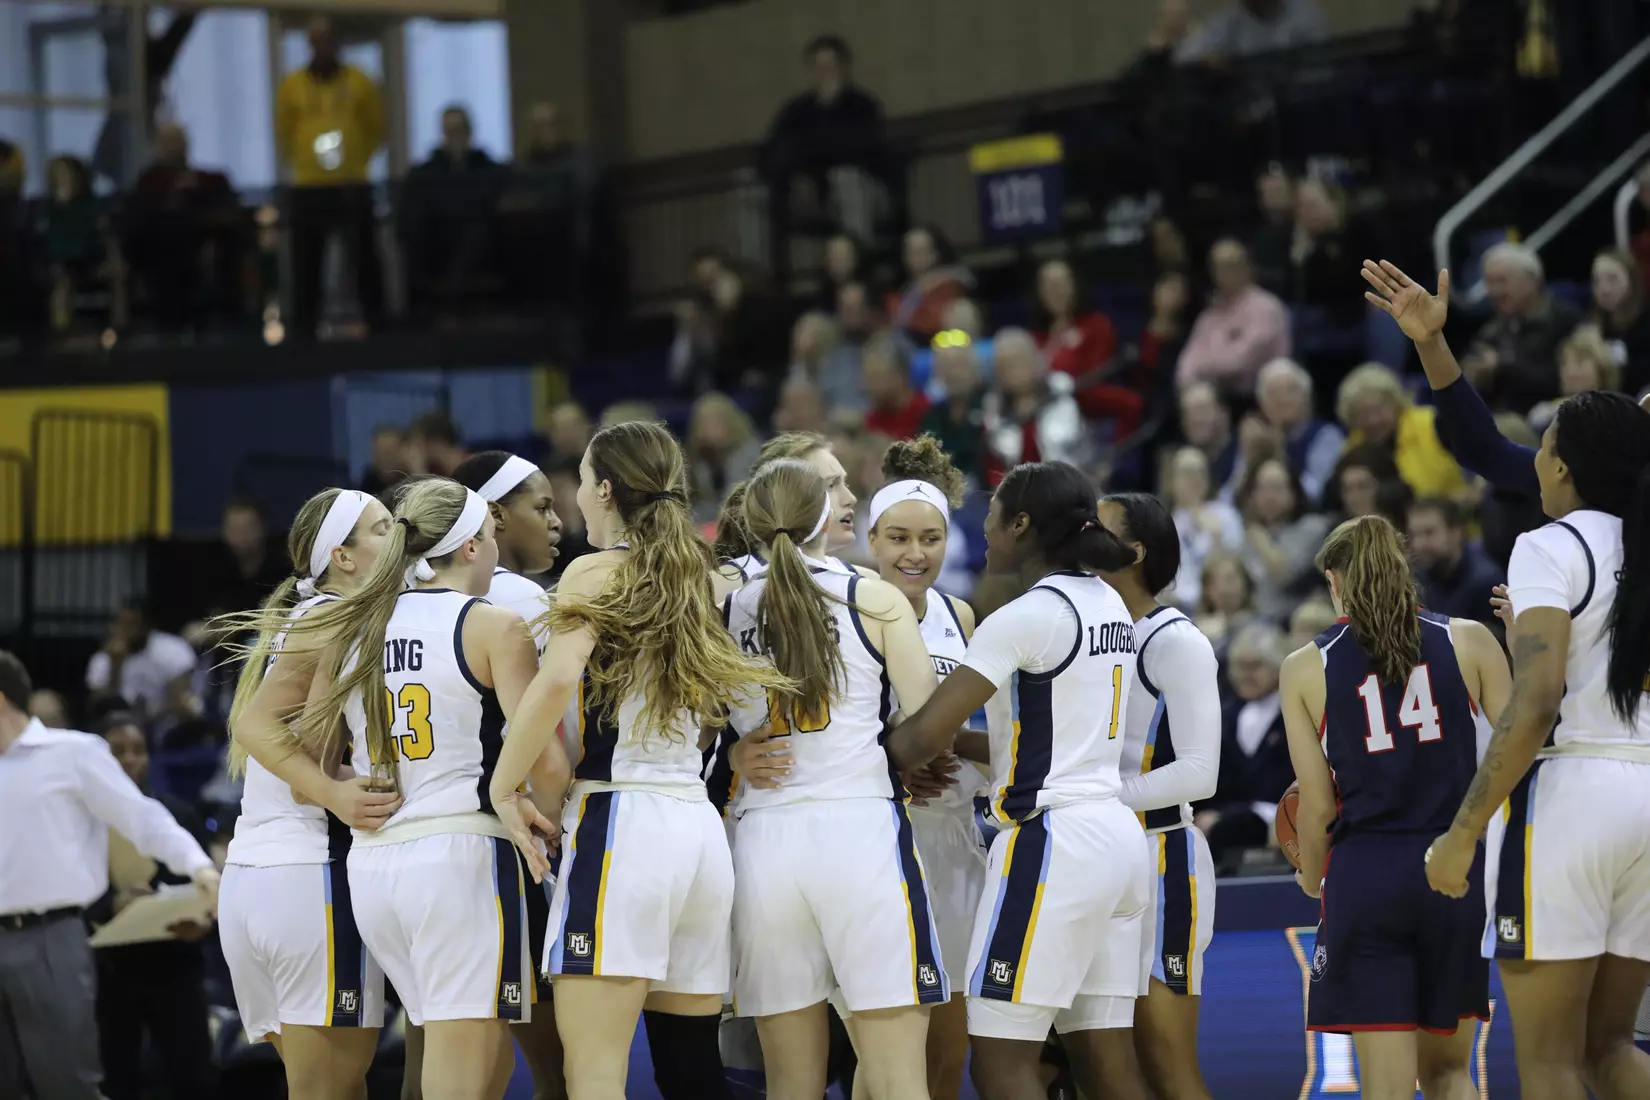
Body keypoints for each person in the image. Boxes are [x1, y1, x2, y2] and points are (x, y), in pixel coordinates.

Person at [231, 478, 568, 1100]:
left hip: (370, 864)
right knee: (455, 1068)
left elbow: (309, 753)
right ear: (471, 545)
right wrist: (535, 814)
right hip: (450, 853)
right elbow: (549, 767)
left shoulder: (357, 623)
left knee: (445, 1058)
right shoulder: (491, 623)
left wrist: (335, 791)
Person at [486, 422, 787, 1100]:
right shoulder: (698, 575)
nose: (576, 502)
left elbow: (559, 678)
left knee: (593, 1076)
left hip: (622, 825)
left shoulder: (595, 571)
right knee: (693, 1075)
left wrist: (505, 784)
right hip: (697, 834)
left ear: (606, 490)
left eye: (582, 485)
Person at [883, 460, 1152, 1100]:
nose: (986, 531)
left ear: (1022, 525)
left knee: (1002, 1064)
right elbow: (1036, 736)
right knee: (1109, 1066)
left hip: (1053, 844)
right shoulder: (1108, 600)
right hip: (1116, 839)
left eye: (996, 514)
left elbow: (919, 738)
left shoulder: (1025, 616)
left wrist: (859, 744)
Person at [1423, 390, 1650, 1100]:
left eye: (1546, 444)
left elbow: (1539, 700)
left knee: (1551, 1060)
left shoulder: (1547, 546)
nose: (1539, 458)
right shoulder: (1640, 550)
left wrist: (1462, 834)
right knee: (1608, 1046)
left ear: (1564, 467)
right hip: (1645, 792)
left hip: (1573, 800)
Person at [719, 458, 945, 1100]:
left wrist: (736, 753)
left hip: (764, 842)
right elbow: (926, 725)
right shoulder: (874, 596)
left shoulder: (723, 602)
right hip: (861, 832)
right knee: (901, 1078)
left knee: (791, 1086)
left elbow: (700, 725)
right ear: (824, 515)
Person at [1279, 515, 1510, 1100]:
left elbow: (1317, 804)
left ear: (1334, 581)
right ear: (1401, 569)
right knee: (1451, 1074)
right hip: (1455, 868)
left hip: (1367, 876)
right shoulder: (1471, 639)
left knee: (1387, 1091)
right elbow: (1521, 750)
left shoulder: (1305, 667)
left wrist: (1311, 875)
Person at [214, 488, 392, 1100]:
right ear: (342, 556)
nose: (398, 536)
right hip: (305, 880)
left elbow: (301, 734)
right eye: (382, 528)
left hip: (254, 880)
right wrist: (333, 793)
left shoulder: (307, 617)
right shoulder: (331, 618)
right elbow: (255, 726)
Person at [0, 649, 219, 1100]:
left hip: (50, 937)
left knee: (68, 1086)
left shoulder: (72, 752)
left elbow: (142, 818)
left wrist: (198, 867)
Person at [853, 436, 983, 1100]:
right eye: (899, 537)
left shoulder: (960, 613)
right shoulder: (845, 607)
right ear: (871, 539)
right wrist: (897, 759)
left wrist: (953, 747)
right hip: (876, 844)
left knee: (946, 1054)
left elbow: (973, 729)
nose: (915, 553)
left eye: (930, 538)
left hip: (954, 844)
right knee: (882, 1052)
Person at [1097, 492, 1220, 1100]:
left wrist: (1098, 800)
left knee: (1164, 1060)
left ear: (1134, 550)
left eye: (1099, 528)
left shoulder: (1176, 640)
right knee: (1104, 1067)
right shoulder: (1090, 629)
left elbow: (1201, 772)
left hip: (1160, 852)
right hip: (1096, 855)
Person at [93, 712, 216, 1100]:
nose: (131, 759)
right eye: (119, 751)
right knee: (117, 1080)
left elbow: (203, 888)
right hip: (109, 971)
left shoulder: (180, 814)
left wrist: (203, 922)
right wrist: (112, 904)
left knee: (194, 1077)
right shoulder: (83, 825)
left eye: (139, 750)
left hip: (175, 961)